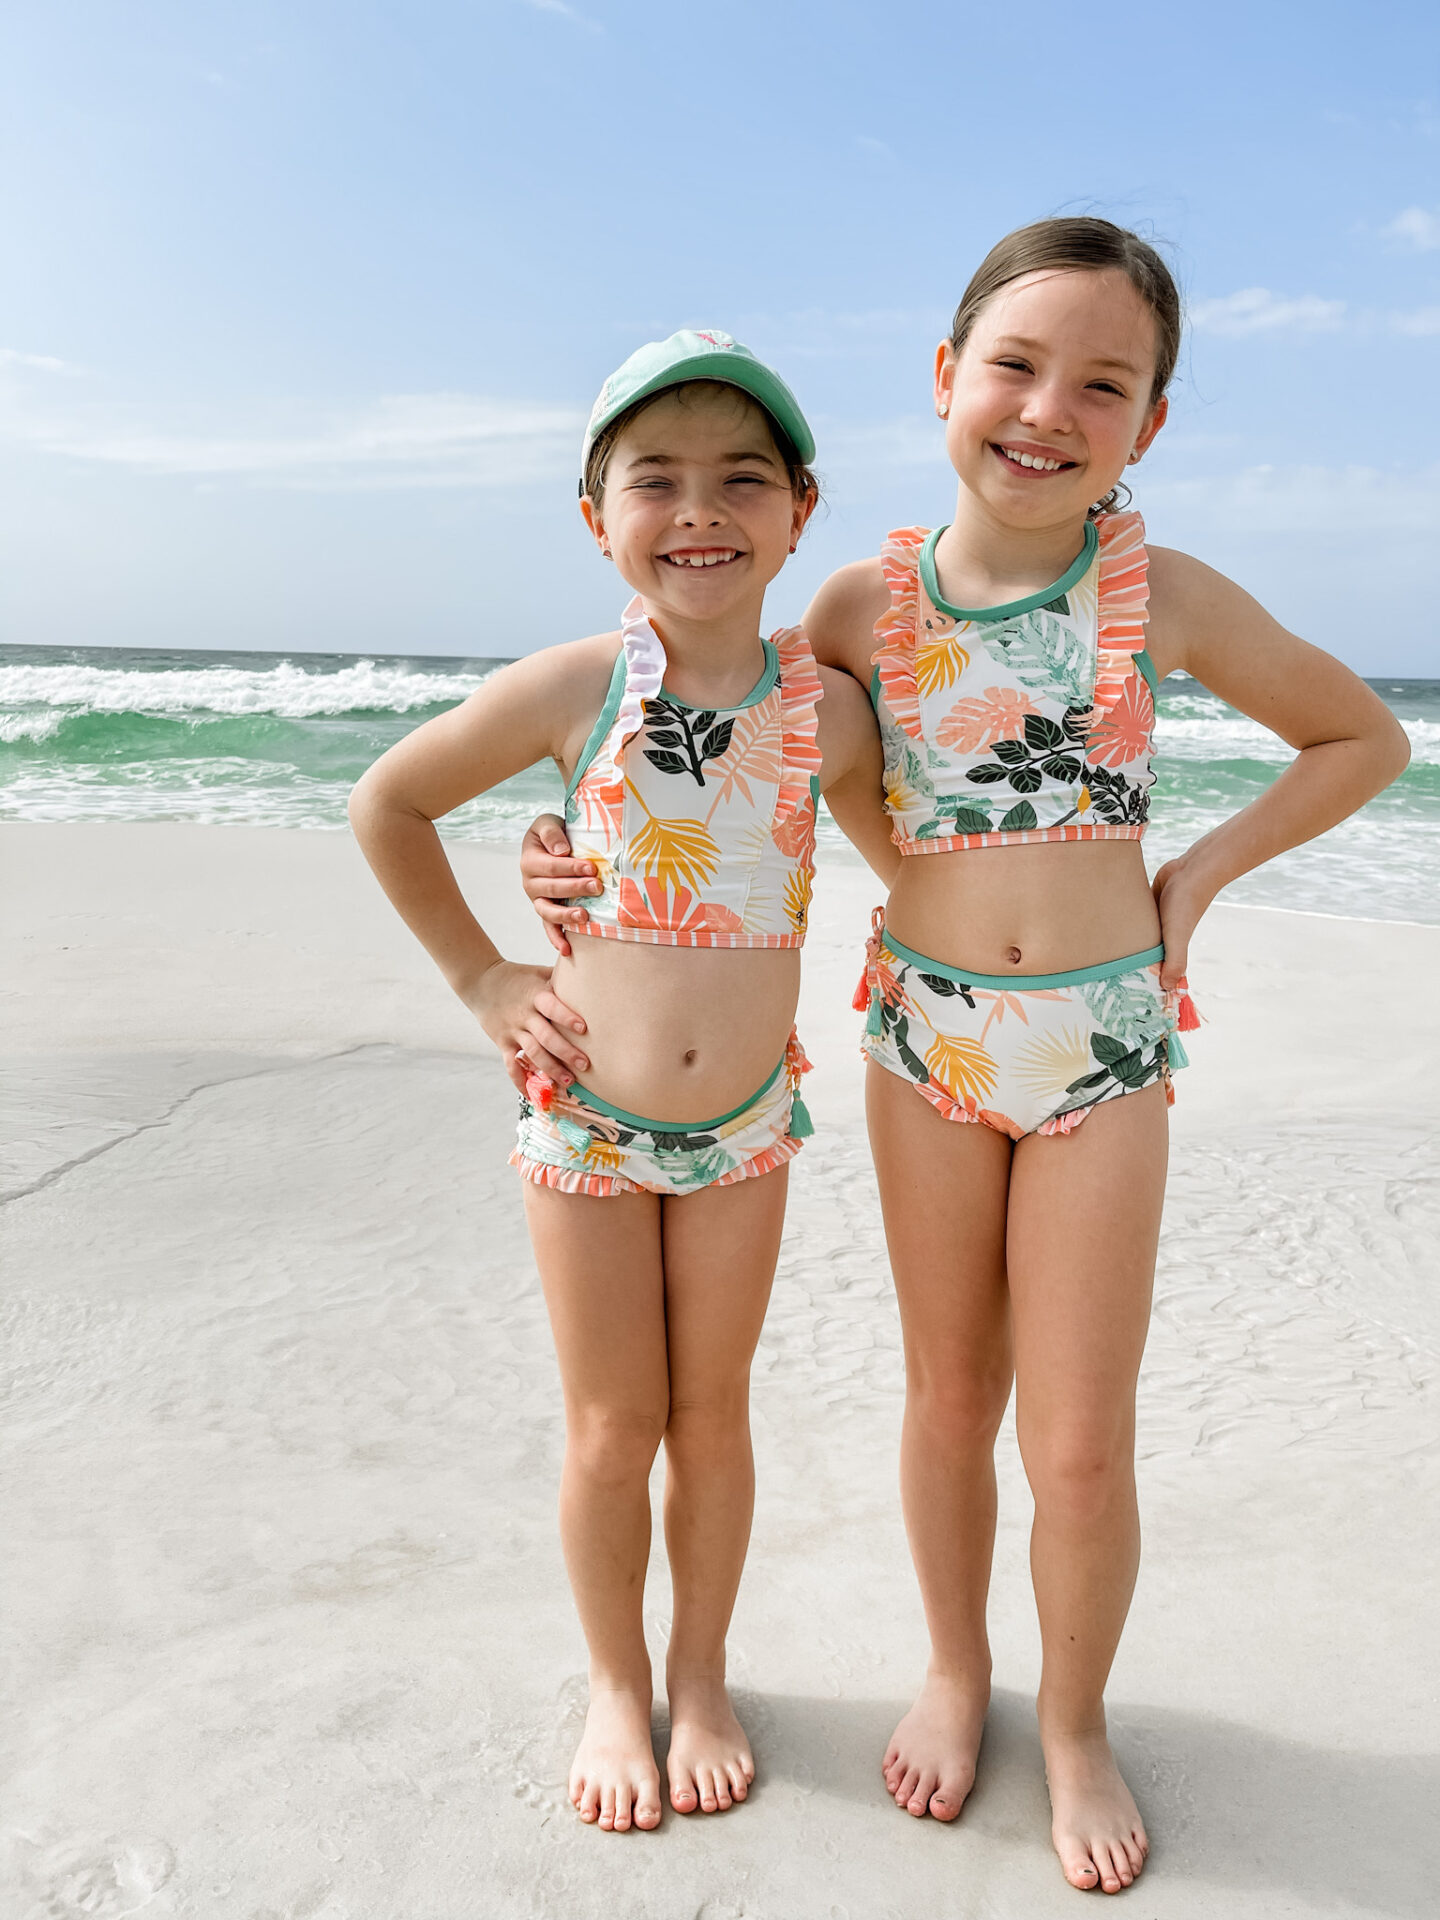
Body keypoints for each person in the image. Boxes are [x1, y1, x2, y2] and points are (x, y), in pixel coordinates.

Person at [515, 222, 1410, 1892]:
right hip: (923, 1031)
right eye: (1012, 364)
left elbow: (1364, 735)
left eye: (1104, 382)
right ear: (944, 381)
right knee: (949, 1397)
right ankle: (954, 1667)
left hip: (1104, 1046)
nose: (1046, 407)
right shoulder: (859, 602)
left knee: (1077, 1435)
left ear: (1150, 422)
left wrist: (1195, 876)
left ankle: (1073, 1722)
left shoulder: (1163, 594)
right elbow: (688, 742)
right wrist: (554, 848)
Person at [349, 331, 893, 1835]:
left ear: (801, 510)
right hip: (585, 1116)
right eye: (655, 481)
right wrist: (485, 977)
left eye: (740, 480)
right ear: (600, 519)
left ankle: (702, 1673)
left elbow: (919, 858)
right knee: (611, 1426)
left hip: (746, 1130)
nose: (698, 509)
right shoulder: (576, 687)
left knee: (710, 1415)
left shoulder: (832, 712)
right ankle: (612, 1682)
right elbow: (387, 801)